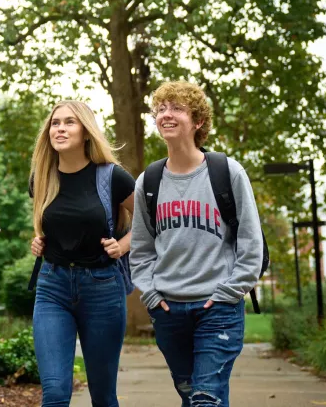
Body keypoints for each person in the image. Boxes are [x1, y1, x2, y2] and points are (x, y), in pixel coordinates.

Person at [130, 81, 264, 407]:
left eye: (176, 108)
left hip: (217, 308)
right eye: (161, 109)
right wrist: (149, 292)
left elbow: (250, 243)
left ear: (198, 121)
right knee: (194, 396)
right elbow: (141, 248)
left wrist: (229, 293)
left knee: (206, 397)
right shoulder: (148, 182)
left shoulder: (227, 172)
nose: (166, 115)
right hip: (168, 310)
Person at [29, 100, 135, 407]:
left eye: (69, 122)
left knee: (103, 396)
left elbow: (149, 220)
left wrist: (123, 245)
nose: (60, 128)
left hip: (102, 287)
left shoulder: (112, 176)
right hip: (53, 287)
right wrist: (40, 238)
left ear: (86, 132)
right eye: (55, 123)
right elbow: (51, 220)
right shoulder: (41, 178)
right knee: (55, 393)